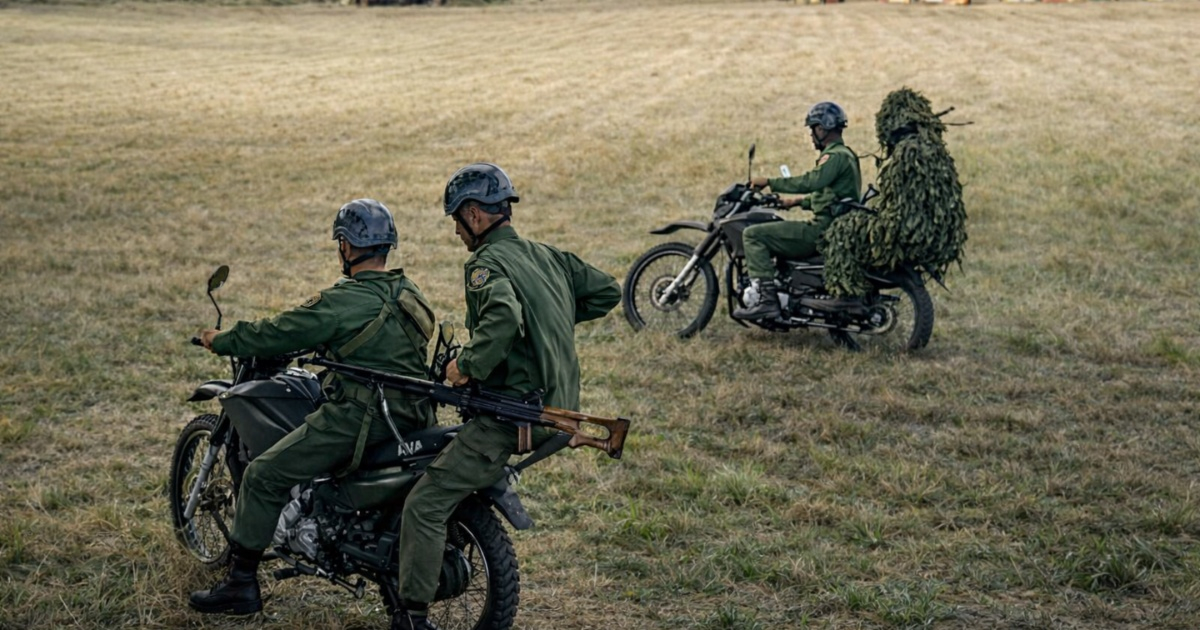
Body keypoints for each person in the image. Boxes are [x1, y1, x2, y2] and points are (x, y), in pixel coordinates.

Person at [389, 163, 620, 630]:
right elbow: (608, 291)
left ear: (475, 215)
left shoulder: (485, 264)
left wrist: (466, 367)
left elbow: (500, 320)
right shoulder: (546, 255)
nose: (455, 230)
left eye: (456, 219)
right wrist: (546, 320)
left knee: (425, 503)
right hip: (559, 410)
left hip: (512, 418)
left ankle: (410, 616)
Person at [188, 199, 437, 617]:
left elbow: (282, 330)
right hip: (413, 414)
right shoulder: (408, 291)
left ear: (346, 246)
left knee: (264, 475)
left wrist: (225, 339)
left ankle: (241, 585)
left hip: (358, 419)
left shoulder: (344, 301)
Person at [732, 101, 863, 320]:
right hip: (835, 224)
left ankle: (767, 301)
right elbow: (828, 196)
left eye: (813, 129)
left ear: (823, 128)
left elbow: (812, 181)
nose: (812, 136)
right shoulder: (847, 155)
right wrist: (794, 203)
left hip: (822, 229)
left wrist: (769, 182)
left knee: (754, 235)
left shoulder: (835, 156)